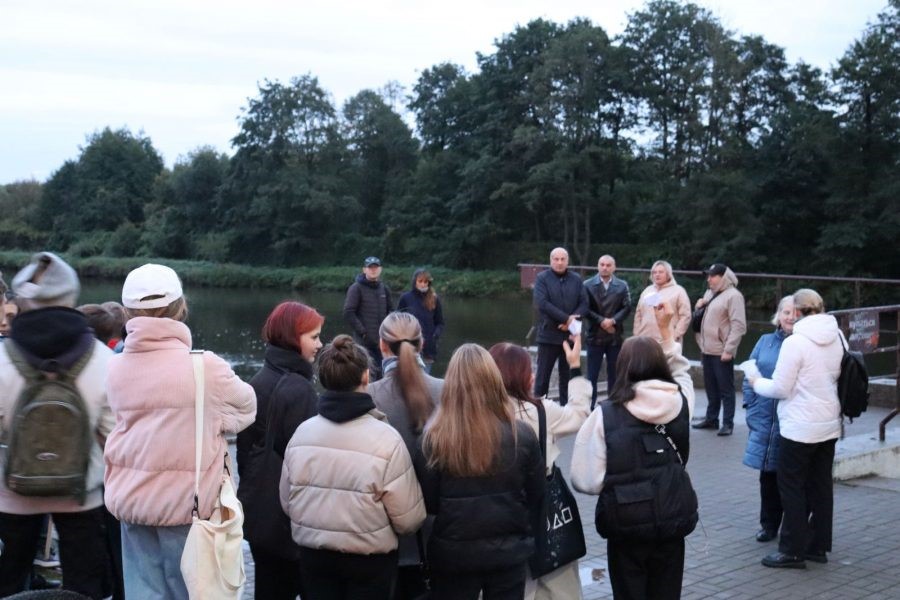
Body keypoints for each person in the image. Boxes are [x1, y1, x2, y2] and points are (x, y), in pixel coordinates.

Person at [103, 264, 256, 599]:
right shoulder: (206, 367)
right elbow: (246, 411)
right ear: (180, 307)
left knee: (143, 592)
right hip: (187, 505)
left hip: (131, 501)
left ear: (128, 311)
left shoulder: (114, 367)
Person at [0, 252, 114, 598]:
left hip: (10, 493)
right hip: (82, 494)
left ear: (21, 300)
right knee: (85, 587)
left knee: (7, 584)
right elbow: (114, 436)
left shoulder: (3, 358)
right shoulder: (103, 359)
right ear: (72, 297)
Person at [280, 334, 426, 600]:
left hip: (314, 559)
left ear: (324, 379)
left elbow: (288, 502)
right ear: (366, 377)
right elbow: (409, 519)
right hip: (370, 563)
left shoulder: (302, 434)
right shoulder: (386, 438)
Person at [571, 303, 697, 600]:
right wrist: (666, 333)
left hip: (626, 525)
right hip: (671, 519)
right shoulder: (680, 402)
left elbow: (586, 480)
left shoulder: (605, 415)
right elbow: (683, 373)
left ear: (622, 367)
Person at [415, 343, 546, 600]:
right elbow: (536, 495)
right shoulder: (522, 435)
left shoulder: (433, 440)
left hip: (453, 554)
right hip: (508, 553)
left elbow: (430, 503)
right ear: (493, 380)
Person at [746, 289, 842, 569]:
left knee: (792, 488)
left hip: (799, 427)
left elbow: (779, 388)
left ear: (798, 312)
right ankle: (818, 546)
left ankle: (791, 550)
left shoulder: (796, 342)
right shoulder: (837, 335)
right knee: (821, 487)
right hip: (828, 423)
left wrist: (754, 379)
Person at [488, 337, 590, 600]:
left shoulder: (477, 415)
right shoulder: (541, 411)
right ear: (524, 376)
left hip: (498, 516)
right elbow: (580, 415)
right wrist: (575, 367)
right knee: (558, 584)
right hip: (543, 510)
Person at [237, 301, 324, 600]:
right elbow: (308, 464)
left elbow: (244, 456)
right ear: (292, 337)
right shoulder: (299, 390)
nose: (319, 344)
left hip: (261, 518)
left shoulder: (257, 382)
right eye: (313, 337)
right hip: (290, 524)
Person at [368, 311, 443, 600]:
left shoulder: (370, 396)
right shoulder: (447, 390)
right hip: (438, 535)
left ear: (382, 345)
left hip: (385, 535)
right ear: (421, 344)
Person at [742, 296, 795, 543]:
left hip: (791, 420)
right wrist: (750, 406)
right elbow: (749, 372)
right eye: (786, 311)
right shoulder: (765, 341)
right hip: (764, 418)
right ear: (778, 314)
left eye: (795, 312)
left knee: (789, 476)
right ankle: (768, 525)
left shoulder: (803, 345)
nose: (790, 317)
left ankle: (792, 526)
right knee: (767, 475)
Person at [691, 263, 747, 436]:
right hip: (707, 349)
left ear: (723, 277)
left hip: (722, 351)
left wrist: (729, 349)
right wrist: (698, 306)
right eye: (708, 275)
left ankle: (728, 423)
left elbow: (739, 326)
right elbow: (704, 317)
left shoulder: (734, 296)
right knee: (710, 387)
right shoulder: (709, 293)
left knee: (726, 389)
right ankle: (712, 419)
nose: (709, 278)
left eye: (712, 276)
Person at [532, 247, 588, 405]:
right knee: (542, 378)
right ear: (551, 261)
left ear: (567, 261)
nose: (559, 262)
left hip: (569, 336)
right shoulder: (542, 278)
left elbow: (584, 303)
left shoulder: (576, 279)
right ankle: (539, 410)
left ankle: (567, 410)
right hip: (548, 335)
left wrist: (571, 321)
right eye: (556, 259)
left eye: (563, 259)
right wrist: (566, 319)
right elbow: (542, 304)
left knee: (568, 378)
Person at [584, 254, 632, 407]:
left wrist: (613, 320)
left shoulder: (622, 285)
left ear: (614, 267)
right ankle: (589, 405)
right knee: (592, 375)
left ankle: (613, 404)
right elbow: (584, 308)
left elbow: (627, 307)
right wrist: (601, 321)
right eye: (602, 264)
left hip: (614, 336)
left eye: (608, 265)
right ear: (598, 266)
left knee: (615, 373)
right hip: (594, 335)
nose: (604, 267)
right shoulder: (587, 284)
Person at [343, 256, 393, 380]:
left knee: (383, 375)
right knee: (366, 376)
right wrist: (363, 332)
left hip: (382, 342)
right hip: (363, 343)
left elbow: (391, 312)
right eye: (370, 267)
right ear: (364, 270)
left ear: (380, 269)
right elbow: (348, 312)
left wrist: (389, 332)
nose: (373, 270)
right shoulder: (356, 288)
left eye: (375, 267)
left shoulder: (384, 289)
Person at [397, 268, 445, 373]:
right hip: (410, 346)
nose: (423, 284)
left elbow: (440, 323)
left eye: (426, 282)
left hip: (428, 347)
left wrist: (435, 335)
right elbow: (397, 321)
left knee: (426, 380)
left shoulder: (434, 299)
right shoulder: (405, 298)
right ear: (415, 282)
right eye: (420, 281)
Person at [632, 260, 691, 343]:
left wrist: (675, 336)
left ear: (668, 274)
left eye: (661, 272)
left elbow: (685, 316)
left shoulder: (679, 291)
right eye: (654, 272)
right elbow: (638, 314)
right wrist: (637, 335)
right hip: (644, 340)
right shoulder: (647, 290)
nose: (657, 274)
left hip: (667, 340)